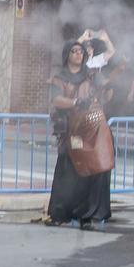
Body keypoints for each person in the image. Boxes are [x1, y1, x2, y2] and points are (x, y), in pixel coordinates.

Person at [45, 40, 111, 230]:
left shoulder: (90, 76)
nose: (78, 54)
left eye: (80, 51)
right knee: (68, 170)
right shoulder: (59, 77)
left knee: (95, 168)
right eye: (74, 51)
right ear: (67, 55)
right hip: (69, 130)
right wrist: (75, 102)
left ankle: (90, 215)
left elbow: (105, 91)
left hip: (89, 128)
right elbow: (56, 99)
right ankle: (61, 213)